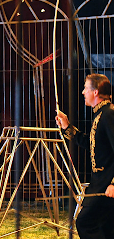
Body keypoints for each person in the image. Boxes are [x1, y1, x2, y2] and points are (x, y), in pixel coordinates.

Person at [55, 73, 114, 238]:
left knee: (85, 223)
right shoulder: (100, 113)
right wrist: (67, 127)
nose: (83, 92)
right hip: (100, 182)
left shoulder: (109, 114)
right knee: (106, 228)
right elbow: (92, 144)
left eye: (85, 88)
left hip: (106, 184)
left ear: (95, 92)